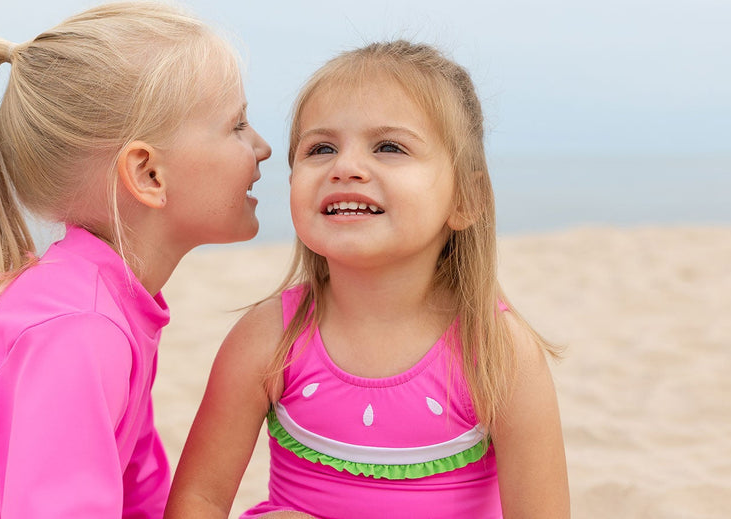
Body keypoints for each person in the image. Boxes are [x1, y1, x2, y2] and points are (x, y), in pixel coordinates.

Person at [0, 3, 272, 517]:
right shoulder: (77, 327)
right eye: (238, 125)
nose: (264, 147)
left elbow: (141, 495)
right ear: (148, 175)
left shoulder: (113, 305)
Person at [165, 41, 570, 518]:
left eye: (389, 147)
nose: (346, 168)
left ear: (466, 198)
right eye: (321, 148)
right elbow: (200, 499)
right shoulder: (269, 338)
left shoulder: (498, 355)